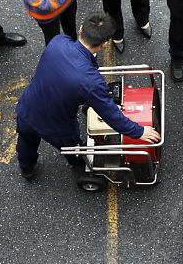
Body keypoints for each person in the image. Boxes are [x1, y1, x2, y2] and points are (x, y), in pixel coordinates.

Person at [14, 14, 159, 182]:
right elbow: (111, 115)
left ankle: (27, 168)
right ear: (104, 44)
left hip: (27, 107)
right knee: (73, 146)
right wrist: (139, 131)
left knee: (26, 141)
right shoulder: (92, 81)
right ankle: (78, 164)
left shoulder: (58, 42)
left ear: (81, 29)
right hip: (57, 124)